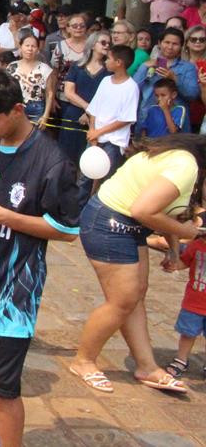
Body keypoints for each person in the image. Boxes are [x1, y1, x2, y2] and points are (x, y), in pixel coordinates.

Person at [0, 69, 80, 447]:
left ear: (19, 109)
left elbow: (67, 231)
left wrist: (5, 216)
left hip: (14, 296)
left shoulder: (52, 161)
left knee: (5, 387)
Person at [70, 135, 206, 396]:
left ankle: (146, 366)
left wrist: (175, 249)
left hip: (127, 224)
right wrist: (186, 231)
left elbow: (165, 210)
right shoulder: (185, 166)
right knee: (122, 300)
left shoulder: (180, 157)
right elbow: (144, 210)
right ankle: (84, 360)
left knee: (136, 294)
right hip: (109, 222)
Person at [79, 45, 139, 198]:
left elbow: (125, 119)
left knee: (107, 179)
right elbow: (94, 108)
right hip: (95, 136)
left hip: (113, 141)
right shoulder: (106, 81)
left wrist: (99, 132)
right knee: (85, 177)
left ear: (119, 62)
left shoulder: (131, 87)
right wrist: (92, 130)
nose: (105, 61)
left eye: (109, 58)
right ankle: (76, 213)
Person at [57, 32, 110, 164]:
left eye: (109, 43)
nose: (107, 46)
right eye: (103, 42)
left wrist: (90, 113)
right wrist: (88, 108)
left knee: (89, 158)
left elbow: (108, 97)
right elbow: (69, 92)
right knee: (67, 156)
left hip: (97, 119)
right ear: (92, 44)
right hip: (74, 114)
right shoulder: (77, 66)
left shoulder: (109, 70)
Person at [131, 28, 199, 131]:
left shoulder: (188, 67)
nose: (170, 47)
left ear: (181, 46)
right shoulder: (148, 64)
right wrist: (144, 66)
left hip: (174, 125)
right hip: (146, 121)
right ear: (159, 43)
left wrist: (175, 79)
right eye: (167, 42)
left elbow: (192, 95)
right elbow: (132, 88)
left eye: (175, 44)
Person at [163, 230, 206, 380]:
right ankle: (181, 359)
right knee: (187, 333)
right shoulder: (196, 246)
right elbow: (185, 262)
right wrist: (173, 264)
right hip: (194, 301)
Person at [5, 32, 55, 128]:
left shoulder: (45, 69)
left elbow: (49, 93)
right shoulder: (11, 66)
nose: (30, 49)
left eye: (33, 46)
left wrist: (45, 116)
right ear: (21, 47)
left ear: (37, 49)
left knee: (34, 137)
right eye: (27, 45)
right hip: (14, 106)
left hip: (36, 107)